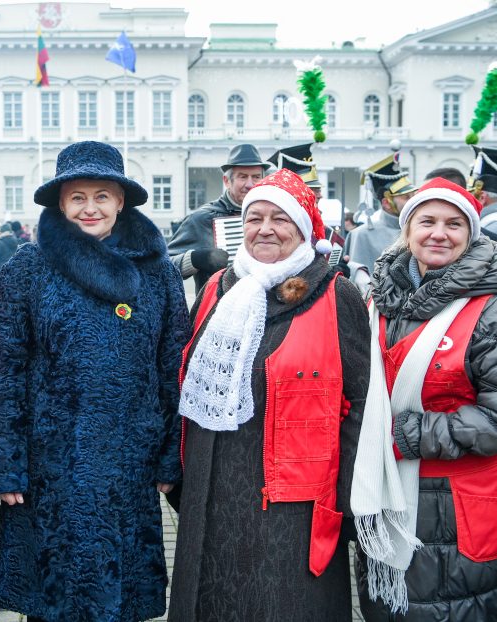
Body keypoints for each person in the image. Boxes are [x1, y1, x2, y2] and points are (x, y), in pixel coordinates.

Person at [0, 141, 190, 622]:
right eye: (78, 197)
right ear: (60, 204)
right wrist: (4, 464)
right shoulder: (29, 267)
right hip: (50, 462)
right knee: (55, 595)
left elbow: (174, 365)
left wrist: (172, 454)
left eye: (102, 196)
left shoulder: (156, 273)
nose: (90, 208)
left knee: (120, 590)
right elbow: (4, 367)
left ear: (121, 202)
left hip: (130, 460)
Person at [168, 169, 370, 621]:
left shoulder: (337, 295)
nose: (265, 228)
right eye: (255, 216)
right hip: (212, 485)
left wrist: (349, 501)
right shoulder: (218, 288)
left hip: (291, 504)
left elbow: (360, 406)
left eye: (281, 219)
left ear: (305, 229)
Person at [352, 177, 497, 620]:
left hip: (462, 508)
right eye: (427, 221)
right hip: (390, 495)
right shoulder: (379, 301)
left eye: (454, 224)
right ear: (408, 229)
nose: (439, 233)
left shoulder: (493, 309)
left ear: (471, 234)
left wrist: (409, 433)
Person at [168, 143, 268, 291]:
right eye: (242, 177)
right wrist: (195, 259)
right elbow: (161, 266)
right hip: (217, 307)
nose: (250, 184)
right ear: (227, 181)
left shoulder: (271, 214)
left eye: (256, 177)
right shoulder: (203, 218)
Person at [344, 151, 416, 273]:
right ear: (386, 203)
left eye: (413, 195)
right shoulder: (362, 234)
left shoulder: (419, 229)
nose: (413, 201)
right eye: (406, 197)